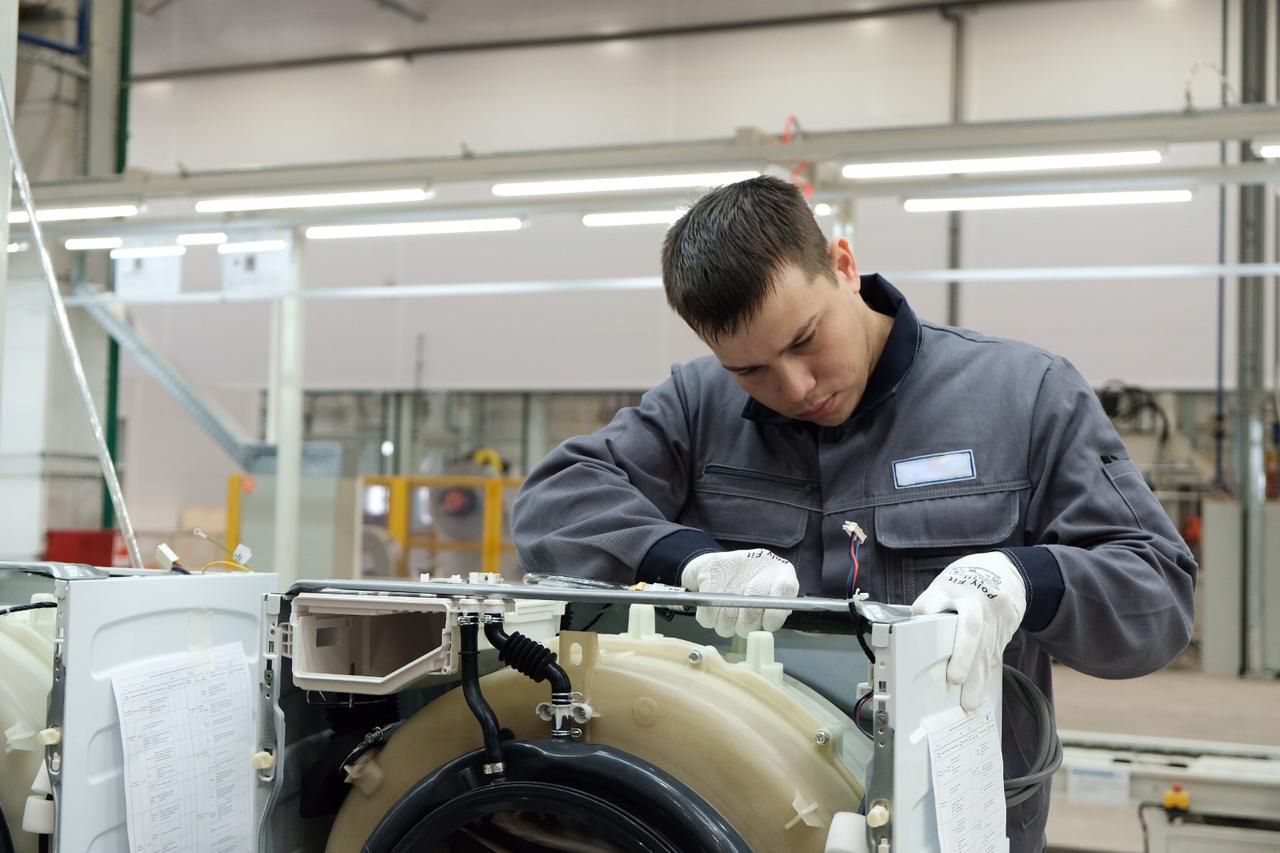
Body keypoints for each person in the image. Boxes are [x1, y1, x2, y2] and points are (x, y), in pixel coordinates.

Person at [511, 175, 1196, 851]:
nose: (795, 386)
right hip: (741, 820)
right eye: (751, 370)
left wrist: (1025, 579)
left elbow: (1156, 592)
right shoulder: (699, 405)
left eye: (805, 339)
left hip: (956, 829)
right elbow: (553, 500)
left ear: (843, 264)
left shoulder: (1024, 395)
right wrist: (688, 558)